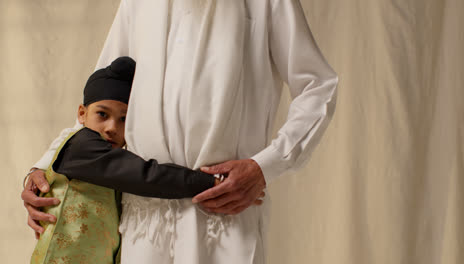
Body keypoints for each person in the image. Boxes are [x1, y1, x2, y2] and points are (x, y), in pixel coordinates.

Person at [23, 1, 339, 263]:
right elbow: (101, 97)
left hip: (224, 216)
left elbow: (318, 85)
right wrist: (47, 167)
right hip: (144, 226)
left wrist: (265, 165)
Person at [29, 56, 234, 263]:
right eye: (102, 114)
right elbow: (147, 176)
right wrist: (209, 181)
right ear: (82, 114)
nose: (112, 128)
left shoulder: (108, 154)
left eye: (124, 119)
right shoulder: (81, 146)